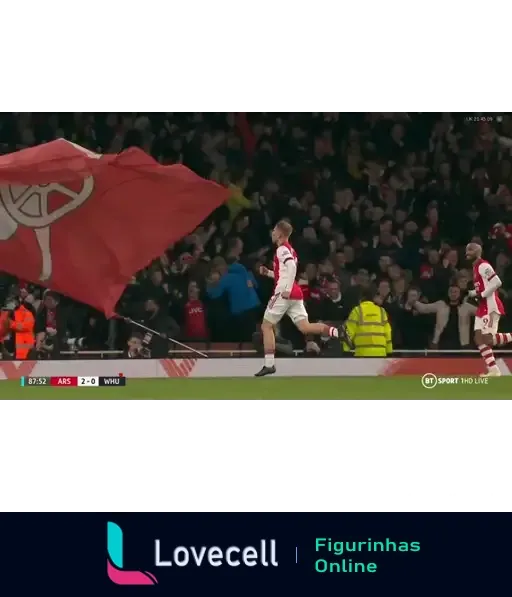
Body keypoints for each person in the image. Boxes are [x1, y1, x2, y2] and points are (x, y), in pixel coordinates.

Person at [255, 220, 348, 377]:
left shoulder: (282, 249)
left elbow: (292, 267)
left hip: (284, 293)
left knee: (266, 326)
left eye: (274, 231)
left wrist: (286, 289)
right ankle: (337, 332)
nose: (272, 233)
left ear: (280, 234)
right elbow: (283, 274)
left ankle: (269, 364)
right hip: (296, 293)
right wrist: (268, 273)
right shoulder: (290, 250)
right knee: (305, 327)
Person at [466, 242, 510, 377]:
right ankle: (494, 369)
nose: (467, 252)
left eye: (471, 250)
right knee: (478, 338)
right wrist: (473, 293)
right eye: (467, 250)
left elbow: (497, 282)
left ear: (478, 252)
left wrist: (482, 295)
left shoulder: (483, 265)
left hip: (491, 305)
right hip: (482, 306)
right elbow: (484, 286)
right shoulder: (475, 268)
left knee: (488, 339)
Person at [343, 286, 393, 357]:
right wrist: (389, 351)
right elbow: (388, 332)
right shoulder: (382, 311)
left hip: (362, 353)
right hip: (380, 353)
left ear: (361, 298)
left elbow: (349, 332)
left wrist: (345, 350)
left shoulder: (357, 310)